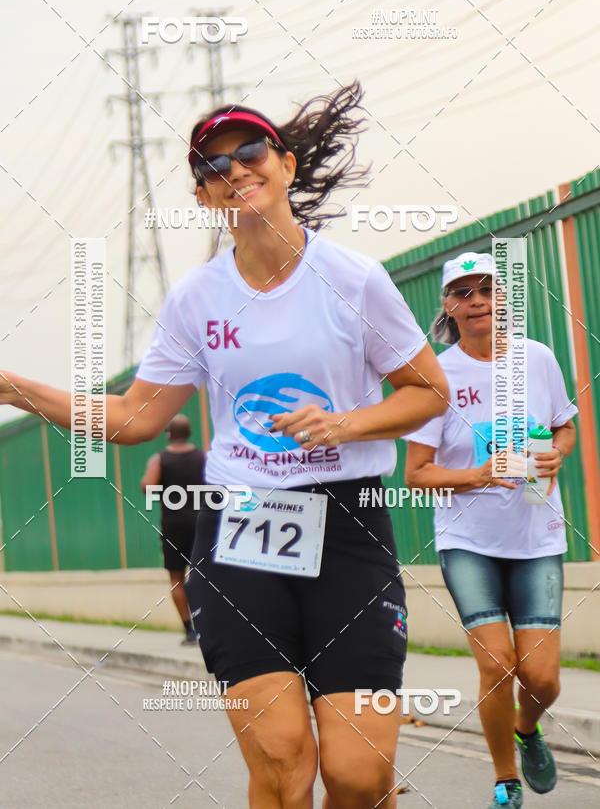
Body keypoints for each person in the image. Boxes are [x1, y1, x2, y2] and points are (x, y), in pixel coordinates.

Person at [0, 81, 449, 808]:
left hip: (348, 526)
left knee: (359, 774)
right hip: (242, 530)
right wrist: (14, 388)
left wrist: (344, 424)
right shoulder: (196, 299)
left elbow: (427, 392)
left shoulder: (355, 280)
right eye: (213, 167)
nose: (234, 170)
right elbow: (135, 417)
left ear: (286, 165)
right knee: (282, 762)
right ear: (204, 196)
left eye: (250, 153)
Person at [404, 251, 577, 809]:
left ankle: (527, 729)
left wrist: (557, 455)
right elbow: (416, 474)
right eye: (464, 292)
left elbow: (564, 428)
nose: (477, 301)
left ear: (503, 300)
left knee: (543, 679)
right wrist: (477, 475)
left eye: (488, 289)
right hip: (468, 542)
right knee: (498, 664)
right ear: (448, 305)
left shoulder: (537, 358)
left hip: (537, 537)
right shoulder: (436, 376)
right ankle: (505, 779)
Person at [140, 414, 206, 645]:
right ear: (189, 433)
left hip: (174, 525)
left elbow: (148, 487)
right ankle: (208, 627)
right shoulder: (204, 457)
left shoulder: (159, 460)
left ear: (169, 434)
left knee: (177, 578)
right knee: (204, 576)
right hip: (202, 522)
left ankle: (190, 631)